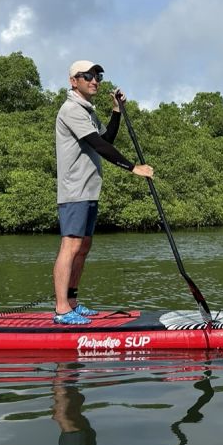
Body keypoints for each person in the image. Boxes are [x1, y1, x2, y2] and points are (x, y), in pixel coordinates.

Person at [53, 60, 153, 325]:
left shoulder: (87, 111)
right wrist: (133, 168)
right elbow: (98, 145)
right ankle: (62, 309)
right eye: (88, 76)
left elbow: (105, 138)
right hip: (74, 190)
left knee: (83, 246)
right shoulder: (71, 109)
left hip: (89, 189)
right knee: (71, 246)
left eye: (97, 75)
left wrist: (116, 111)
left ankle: (72, 301)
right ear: (74, 81)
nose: (94, 80)